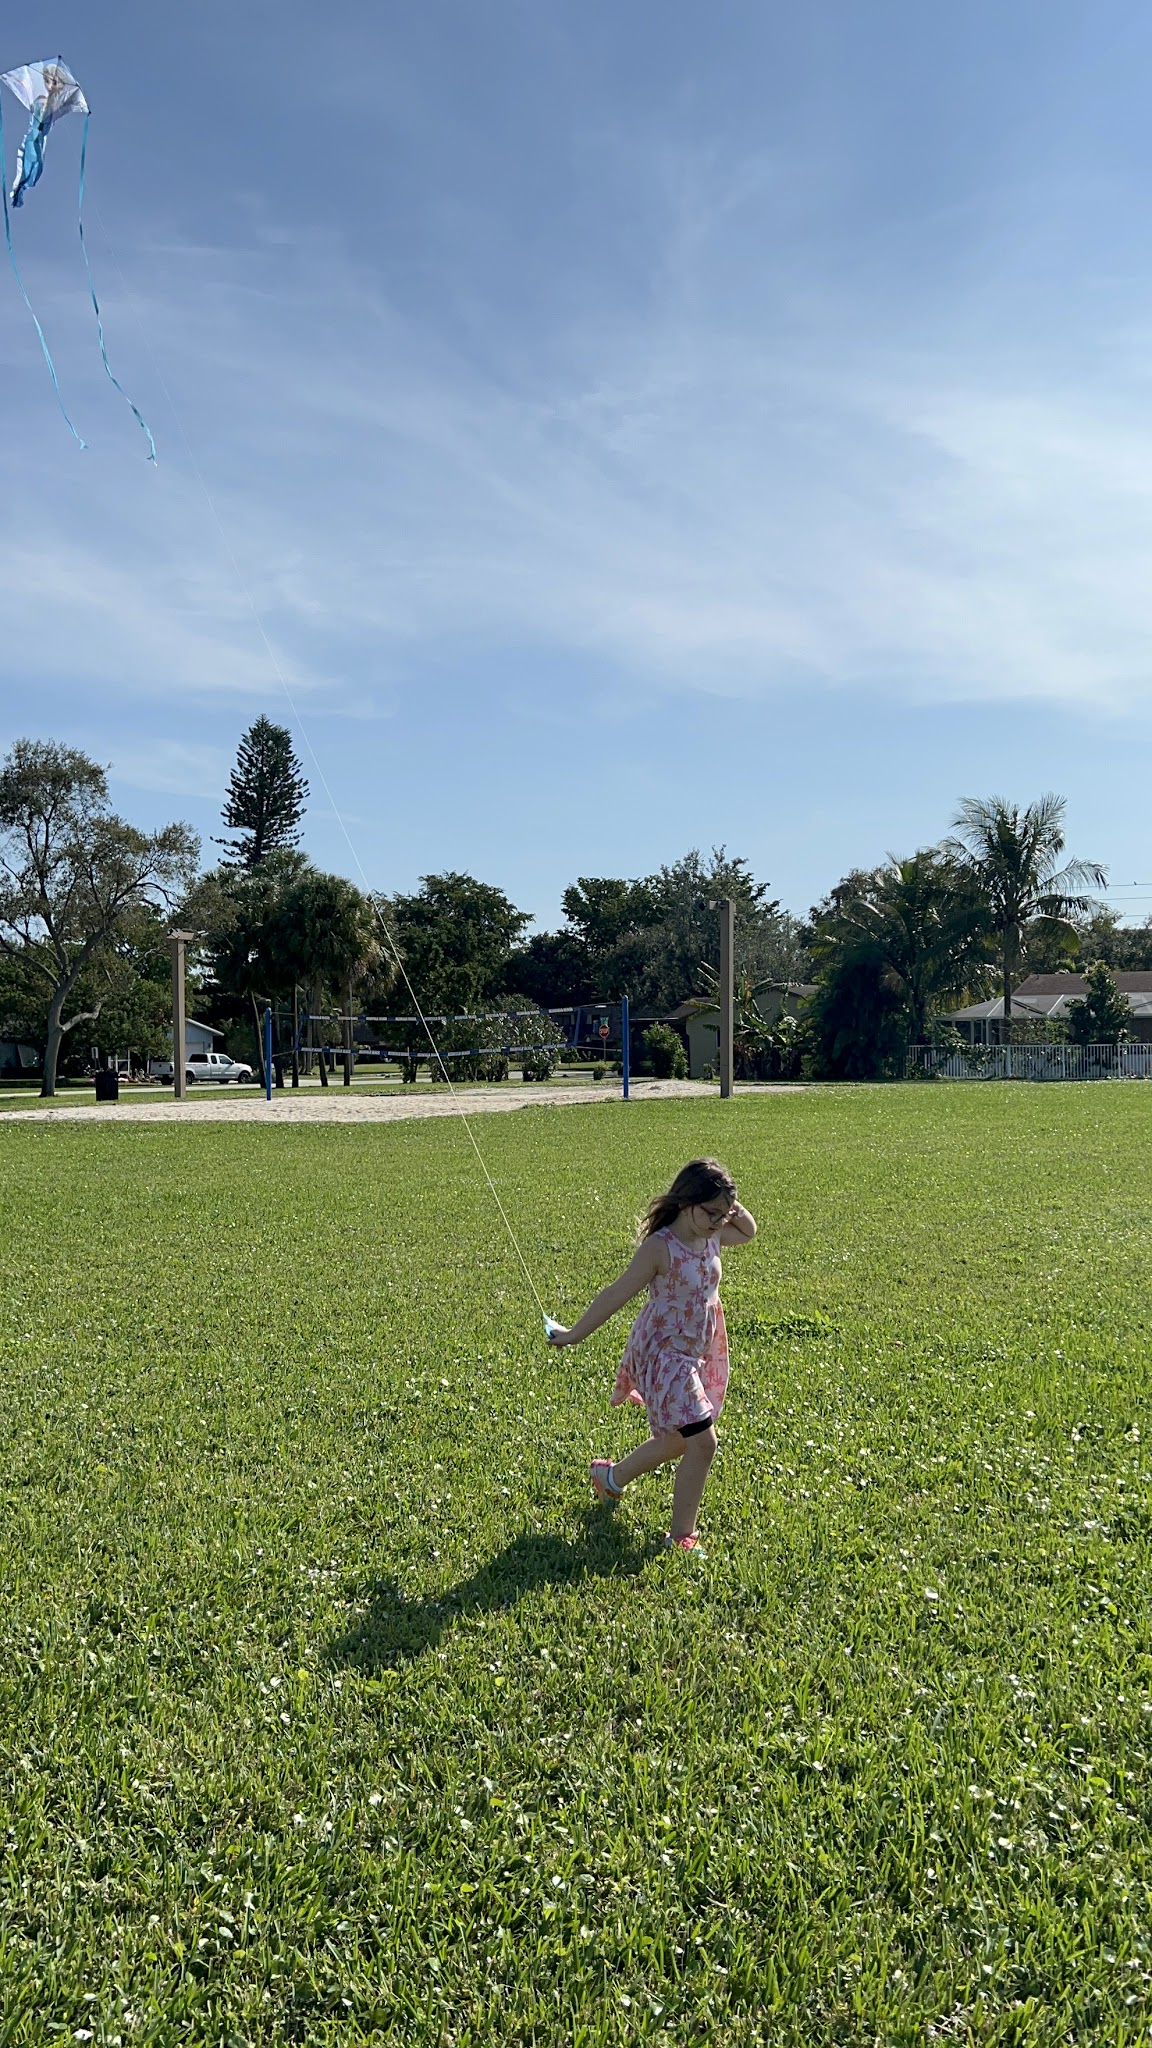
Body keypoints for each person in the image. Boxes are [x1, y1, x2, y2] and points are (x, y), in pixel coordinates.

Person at [547, 1158, 756, 1556]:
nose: (718, 1221)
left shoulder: (713, 1235)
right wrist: (574, 1334)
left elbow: (748, 1232)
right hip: (663, 1354)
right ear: (684, 1202)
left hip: (695, 1351)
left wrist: (731, 1204)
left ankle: (610, 1478)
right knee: (703, 1441)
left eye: (723, 1213)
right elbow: (616, 1293)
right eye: (710, 1212)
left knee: (680, 1440)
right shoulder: (661, 1247)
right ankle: (681, 1537)